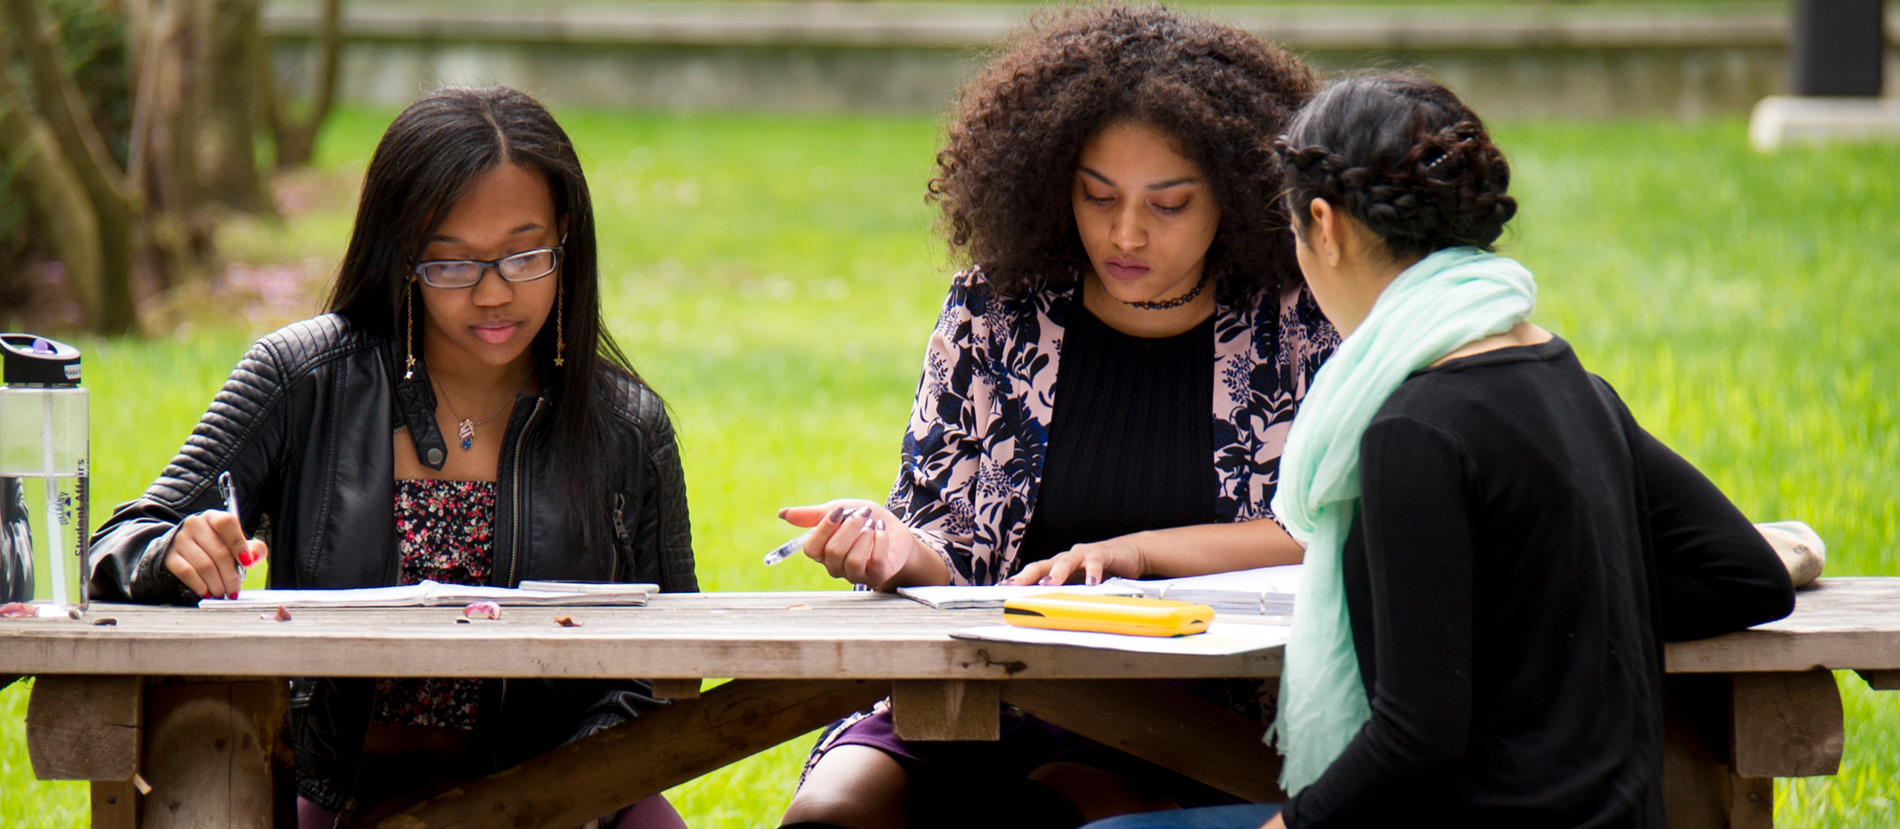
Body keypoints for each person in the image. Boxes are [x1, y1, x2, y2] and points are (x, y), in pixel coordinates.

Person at [1079, 75, 1795, 829]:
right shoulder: (1572, 382)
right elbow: (1744, 574)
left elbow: (1415, 742)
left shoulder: (1412, 429)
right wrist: (1542, 617)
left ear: (1325, 224)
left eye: (1293, 231)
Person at [775, 7, 1334, 828]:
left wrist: (1134, 554)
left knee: (1041, 814)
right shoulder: (995, 309)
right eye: (1097, 194)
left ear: (1238, 195)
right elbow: (950, 542)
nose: (1126, 231)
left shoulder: (1295, 319)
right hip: (980, 687)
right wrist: (895, 546)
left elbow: (1322, 528)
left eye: (1169, 204)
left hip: (1189, 714)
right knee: (833, 814)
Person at [87, 87, 695, 828]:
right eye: (452, 263)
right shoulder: (304, 377)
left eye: (526, 255)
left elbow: (669, 660)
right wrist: (173, 552)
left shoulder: (628, 427)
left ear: (567, 238)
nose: (495, 292)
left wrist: (565, 794)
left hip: (562, 790)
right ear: (402, 254)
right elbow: (117, 543)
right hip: (336, 792)